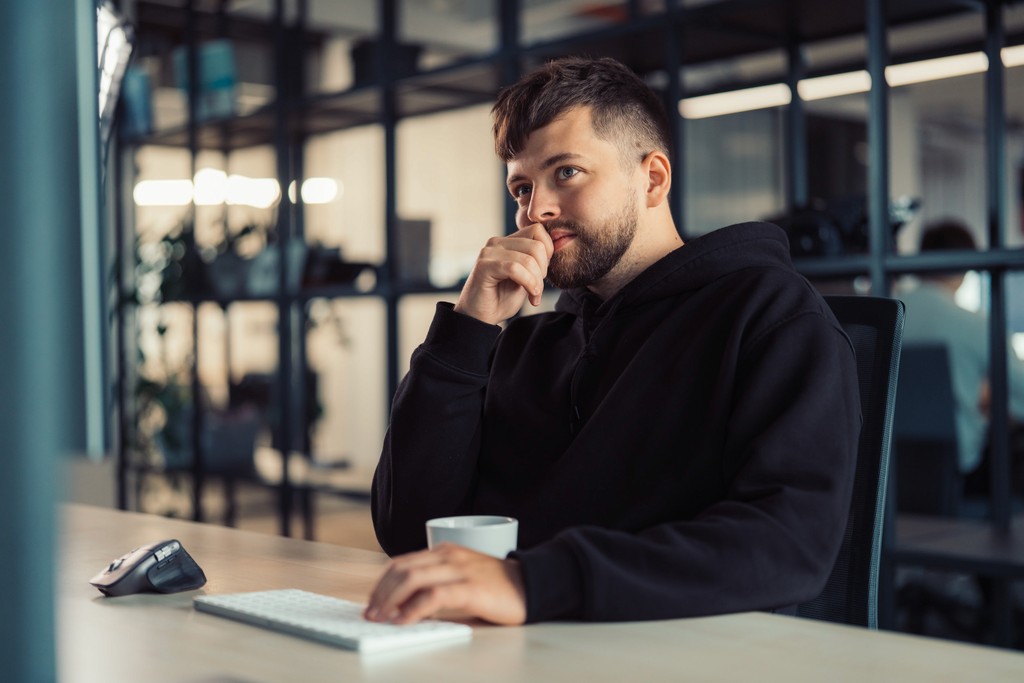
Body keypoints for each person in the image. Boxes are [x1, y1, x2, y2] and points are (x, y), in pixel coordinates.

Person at [364, 57, 860, 626]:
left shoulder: (770, 315)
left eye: (567, 172)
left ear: (653, 179)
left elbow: (786, 545)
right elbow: (409, 531)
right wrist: (466, 331)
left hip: (680, 653)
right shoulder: (526, 345)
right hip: (522, 645)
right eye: (522, 187)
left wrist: (530, 583)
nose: (535, 210)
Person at [897, 220, 1024, 480]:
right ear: (966, 266)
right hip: (960, 468)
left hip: (889, 465)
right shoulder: (974, 324)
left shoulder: (888, 315)